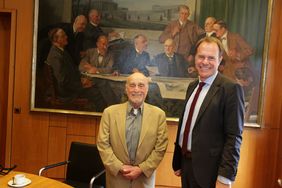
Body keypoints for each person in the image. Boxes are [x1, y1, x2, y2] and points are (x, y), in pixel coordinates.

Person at [172, 37, 244, 188]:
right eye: (201, 56)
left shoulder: (231, 89)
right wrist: (178, 160)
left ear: (220, 60)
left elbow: (234, 136)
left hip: (210, 172)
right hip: (186, 166)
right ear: (195, 58)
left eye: (211, 58)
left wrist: (225, 178)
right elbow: (187, 125)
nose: (205, 62)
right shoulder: (192, 86)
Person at [97, 72, 168, 188]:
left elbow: (160, 148)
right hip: (117, 179)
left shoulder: (159, 115)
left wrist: (141, 169)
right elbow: (103, 144)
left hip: (144, 179)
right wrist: (119, 167)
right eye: (132, 85)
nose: (136, 89)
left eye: (141, 85)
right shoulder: (109, 113)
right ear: (126, 89)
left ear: (147, 89)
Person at [46, 28, 107, 111]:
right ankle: (100, 120)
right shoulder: (56, 56)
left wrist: (82, 80)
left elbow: (72, 72)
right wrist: (81, 85)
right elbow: (63, 81)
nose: (66, 37)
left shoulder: (61, 51)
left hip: (70, 87)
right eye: (63, 36)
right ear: (56, 39)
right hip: (66, 93)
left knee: (97, 87)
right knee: (97, 94)